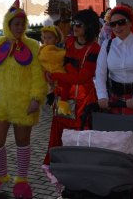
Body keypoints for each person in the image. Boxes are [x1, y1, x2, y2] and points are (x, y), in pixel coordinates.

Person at [0, 0, 46, 198]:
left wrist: (36, 98)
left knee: (22, 141)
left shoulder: (33, 46)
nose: (19, 27)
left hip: (23, 103)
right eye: (15, 24)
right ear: (8, 25)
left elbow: (39, 75)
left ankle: (22, 179)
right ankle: (1, 175)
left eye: (22, 24)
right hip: (0, 103)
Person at [44, 9, 101, 165]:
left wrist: (55, 75)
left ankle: (81, 171)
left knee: (80, 136)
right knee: (61, 134)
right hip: (64, 98)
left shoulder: (95, 49)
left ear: (89, 27)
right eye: (74, 23)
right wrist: (48, 73)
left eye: (79, 24)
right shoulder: (68, 42)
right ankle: (62, 170)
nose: (75, 26)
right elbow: (57, 64)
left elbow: (81, 78)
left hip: (83, 101)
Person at [38, 25, 68, 115]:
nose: (46, 40)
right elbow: (57, 57)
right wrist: (65, 53)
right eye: (45, 38)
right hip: (55, 74)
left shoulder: (53, 48)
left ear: (56, 39)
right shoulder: (46, 49)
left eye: (49, 38)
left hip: (53, 75)